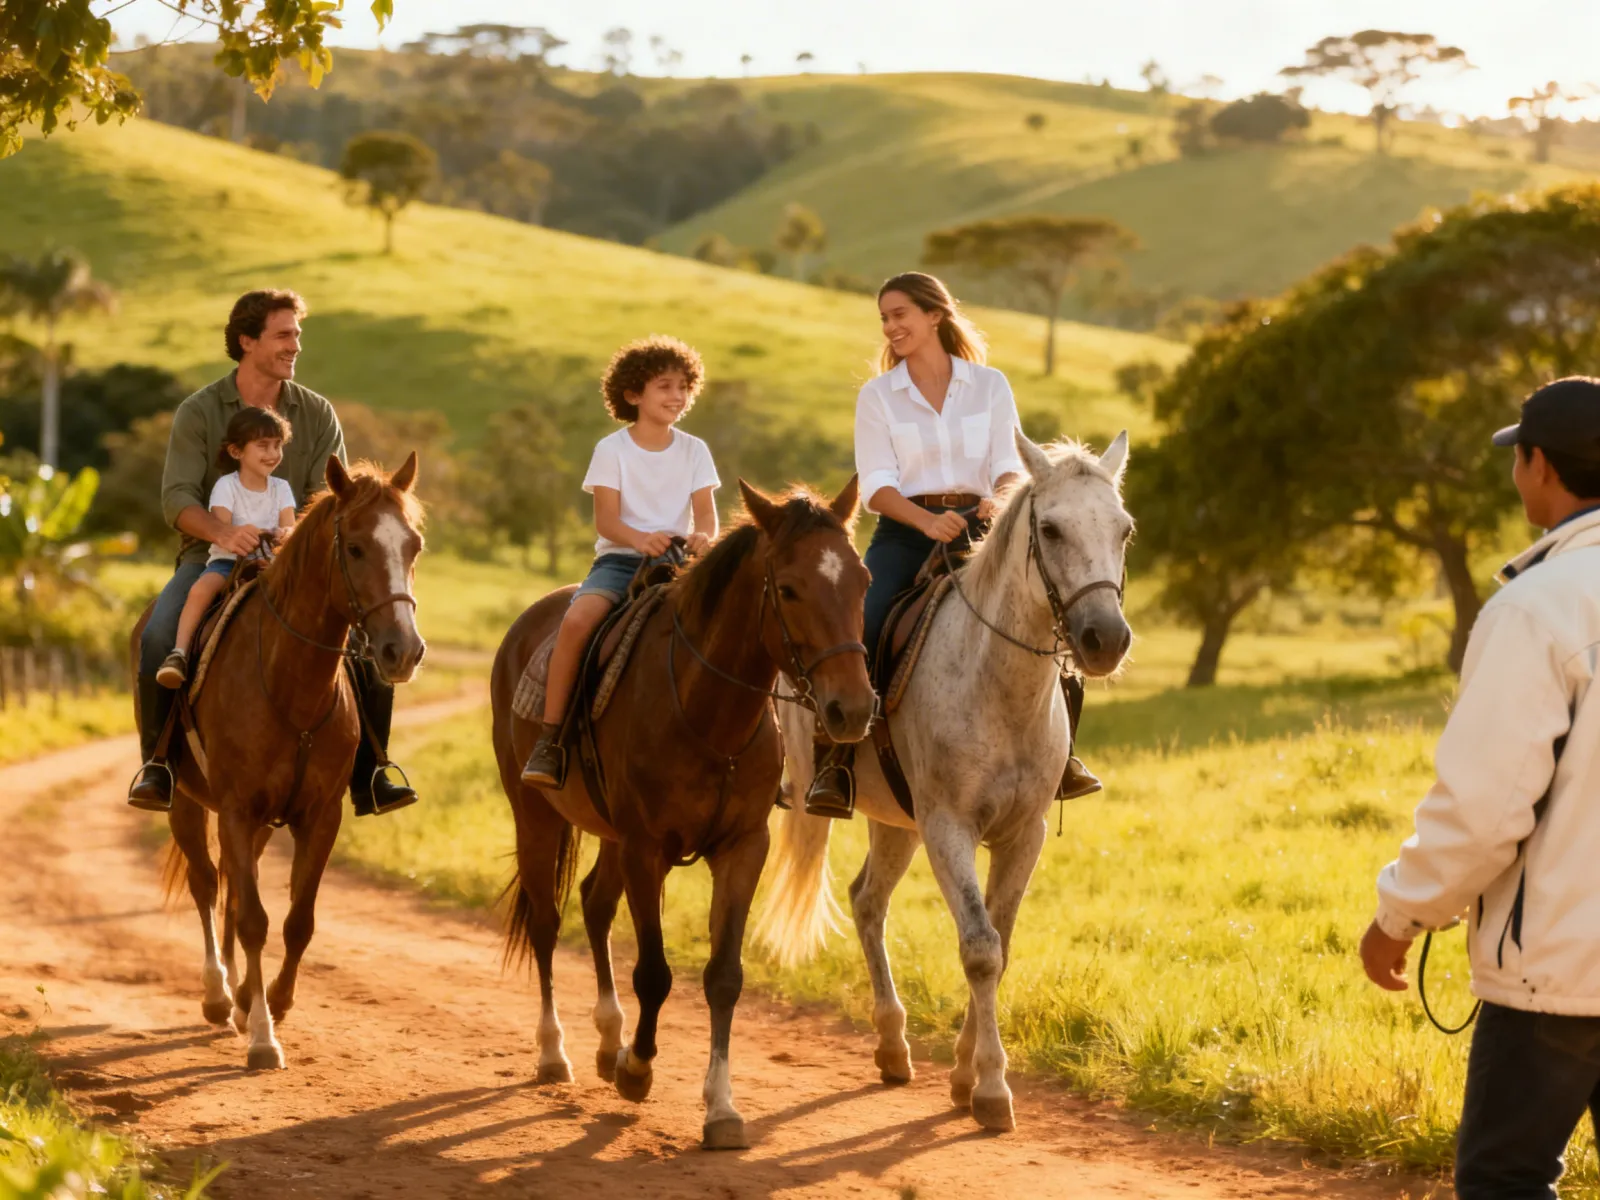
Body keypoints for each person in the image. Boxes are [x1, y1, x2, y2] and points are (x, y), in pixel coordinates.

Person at [1360, 376, 1600, 1198]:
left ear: (1538, 466)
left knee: (1505, 1178)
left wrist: (1402, 916)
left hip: (1559, 973)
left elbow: (1487, 808)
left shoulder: (1536, 609)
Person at [805, 271, 1101, 819]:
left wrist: (1002, 497)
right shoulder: (877, 397)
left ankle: (1063, 760)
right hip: (903, 531)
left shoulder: (989, 386)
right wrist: (925, 521)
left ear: (935, 315)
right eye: (885, 319)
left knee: (1049, 624)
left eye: (900, 315)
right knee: (863, 625)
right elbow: (876, 485)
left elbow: (1011, 465)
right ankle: (835, 767)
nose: (891, 327)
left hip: (985, 530)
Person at [127, 289, 418, 818]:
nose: (295, 346)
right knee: (156, 635)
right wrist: (223, 532)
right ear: (247, 341)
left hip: (298, 564)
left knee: (368, 650)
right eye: (284, 335)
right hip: (208, 558)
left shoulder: (317, 413)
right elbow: (177, 499)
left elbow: (334, 500)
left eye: (297, 336)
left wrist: (286, 540)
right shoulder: (199, 411)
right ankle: (158, 766)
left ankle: (371, 771)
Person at [521, 335, 721, 789]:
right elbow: (607, 521)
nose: (677, 396)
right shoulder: (612, 450)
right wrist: (640, 539)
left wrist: (704, 537)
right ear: (633, 395)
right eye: (665, 387)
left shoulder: (695, 450)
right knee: (576, 623)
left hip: (680, 566)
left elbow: (706, 513)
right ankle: (550, 740)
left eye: (684, 387)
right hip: (621, 563)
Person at [154, 406, 297, 689]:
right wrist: (245, 533)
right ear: (236, 452)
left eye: (277, 445)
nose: (272, 453)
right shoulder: (226, 486)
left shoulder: (281, 488)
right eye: (263, 445)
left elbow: (290, 527)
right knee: (200, 589)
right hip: (231, 563)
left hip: (271, 566)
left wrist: (284, 533)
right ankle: (179, 654)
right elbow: (223, 527)